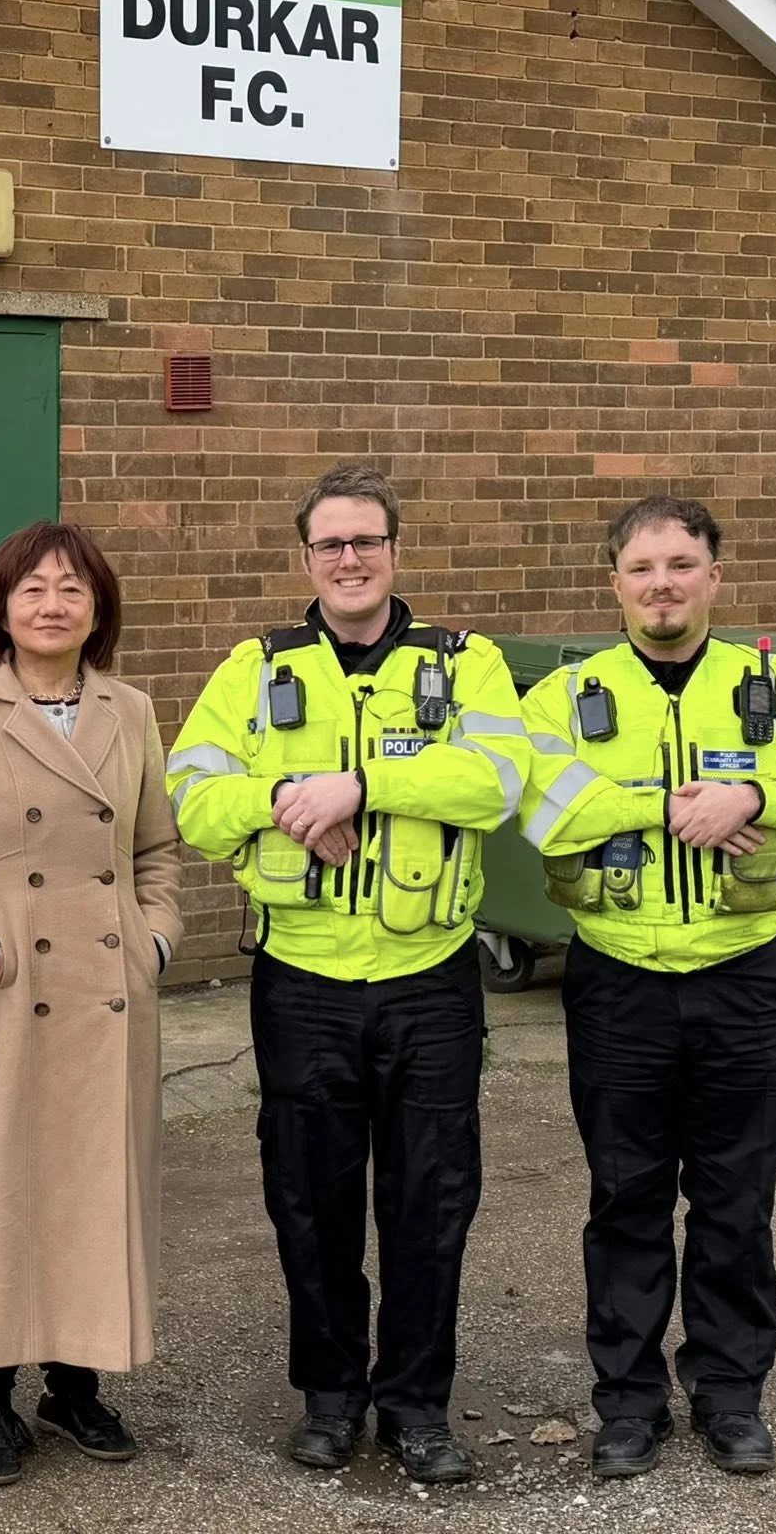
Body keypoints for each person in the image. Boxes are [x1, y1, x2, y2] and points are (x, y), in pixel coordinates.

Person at [164, 464, 531, 1485]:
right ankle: (330, 1396)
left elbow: (499, 780)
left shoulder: (465, 664)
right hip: (303, 982)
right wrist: (291, 795)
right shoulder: (254, 668)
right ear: (306, 560)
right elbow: (191, 795)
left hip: (428, 979)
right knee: (309, 1200)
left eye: (367, 540)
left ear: (394, 552)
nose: (350, 558)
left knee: (430, 1201)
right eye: (331, 544)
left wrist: (362, 787)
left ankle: (415, 1406)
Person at [518, 496, 776, 1480]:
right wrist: (675, 807)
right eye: (641, 569)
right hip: (618, 981)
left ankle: (728, 1395)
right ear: (614, 584)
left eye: (681, 565)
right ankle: (629, 1403)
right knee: (624, 1199)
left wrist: (756, 794)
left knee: (734, 1201)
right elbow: (542, 806)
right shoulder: (564, 697)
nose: (661, 585)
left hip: (744, 977)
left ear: (714, 577)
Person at [0, 522, 183, 1487]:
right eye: (33, 590)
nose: (53, 605)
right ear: (1, 610)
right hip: (9, 993)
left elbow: (156, 850)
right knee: (1, 1187)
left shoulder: (133, 710)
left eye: (72, 589)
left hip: (109, 993)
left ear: (98, 610)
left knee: (94, 1186)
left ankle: (75, 1384)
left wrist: (155, 938)